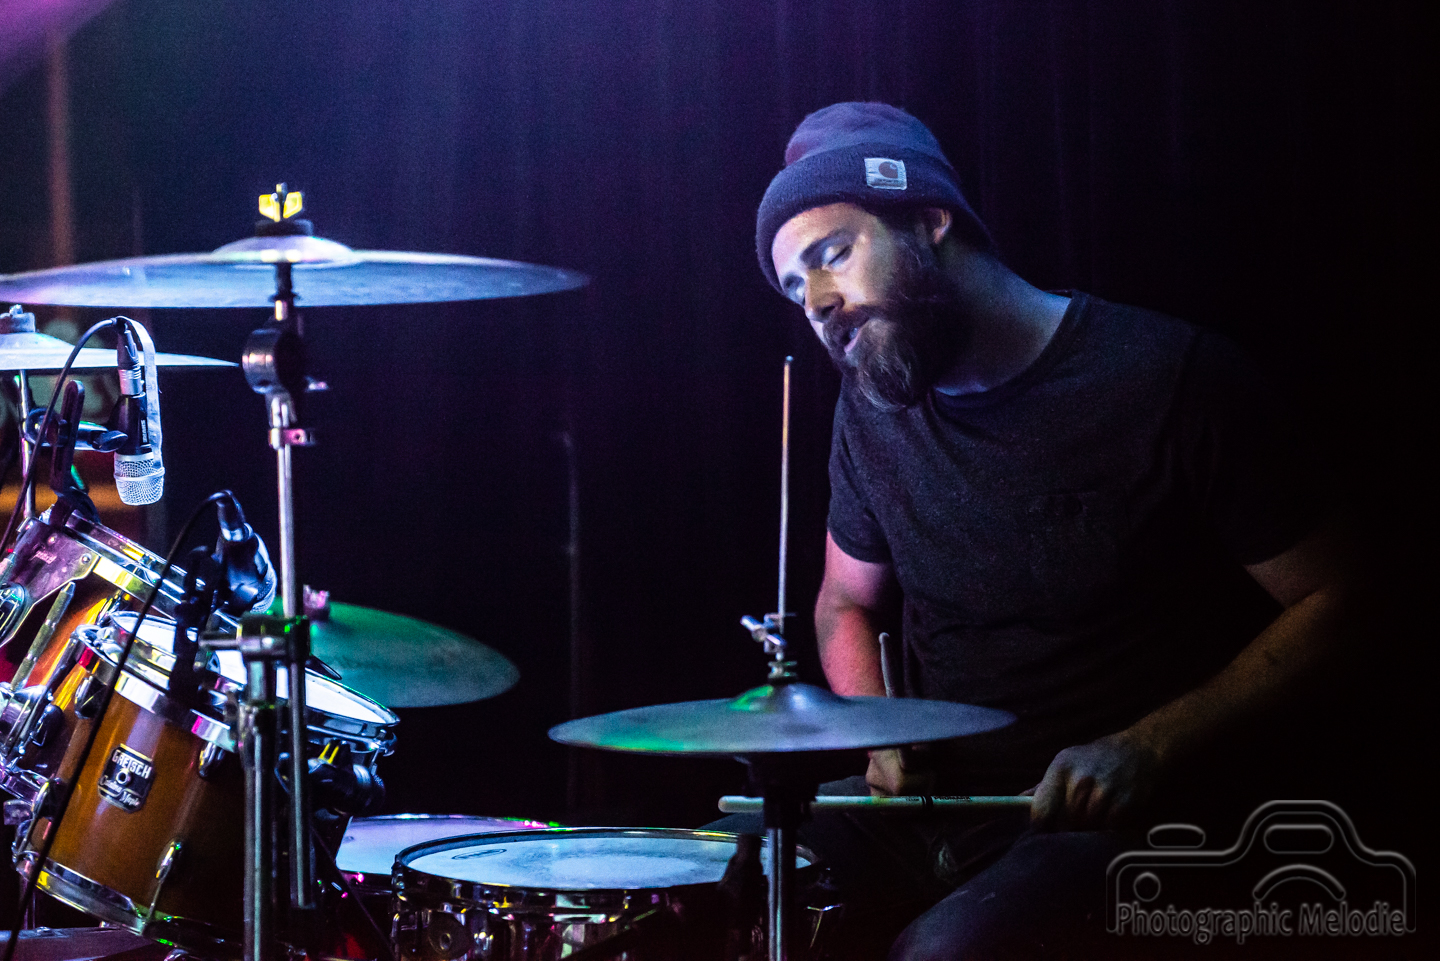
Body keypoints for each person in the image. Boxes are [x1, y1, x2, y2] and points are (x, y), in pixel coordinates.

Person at [745, 102, 1353, 959]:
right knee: (711, 877)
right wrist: (879, 729)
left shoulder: (1168, 378)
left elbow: (1345, 596)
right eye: (794, 288)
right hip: (936, 807)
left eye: (833, 255)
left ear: (930, 219)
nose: (818, 305)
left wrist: (1151, 743)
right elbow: (845, 601)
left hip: (1117, 824)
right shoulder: (873, 407)